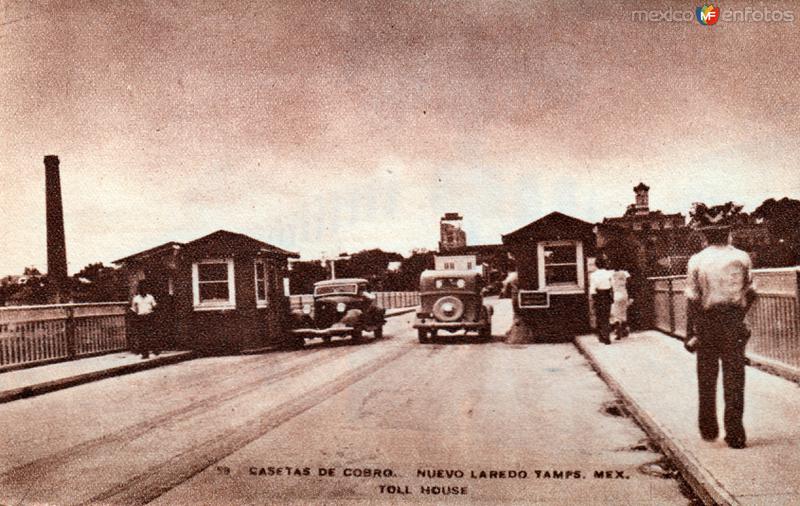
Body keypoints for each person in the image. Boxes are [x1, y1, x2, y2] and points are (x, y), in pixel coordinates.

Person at [684, 225, 756, 449]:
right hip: (733, 321)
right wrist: (740, 315)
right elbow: (752, 291)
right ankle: (735, 433)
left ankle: (708, 427)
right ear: (728, 234)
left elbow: (692, 297)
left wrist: (690, 332)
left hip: (707, 322)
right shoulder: (742, 257)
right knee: (735, 377)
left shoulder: (697, 260)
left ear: (705, 236)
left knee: (706, 375)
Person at [131, 281, 159, 359]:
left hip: (149, 316)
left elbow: (155, 306)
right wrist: (136, 318)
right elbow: (134, 309)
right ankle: (144, 353)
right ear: (139, 290)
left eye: (145, 288)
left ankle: (155, 350)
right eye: (141, 289)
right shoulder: (136, 298)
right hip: (141, 318)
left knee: (151, 334)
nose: (143, 290)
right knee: (142, 336)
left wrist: (153, 316)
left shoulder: (150, 297)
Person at [589, 258, 613, 344]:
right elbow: (612, 286)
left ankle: (601, 336)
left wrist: (593, 298)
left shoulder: (593, 275)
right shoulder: (609, 274)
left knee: (599, 316)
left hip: (598, 295)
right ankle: (607, 336)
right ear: (605, 264)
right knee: (606, 317)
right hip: (607, 295)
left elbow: (592, 288)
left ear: (596, 265)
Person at [610, 267, 631, 340]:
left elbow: (610, 286)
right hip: (624, 293)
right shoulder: (625, 273)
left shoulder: (611, 274)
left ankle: (618, 330)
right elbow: (629, 284)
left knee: (615, 313)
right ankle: (625, 330)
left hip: (616, 294)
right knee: (623, 312)